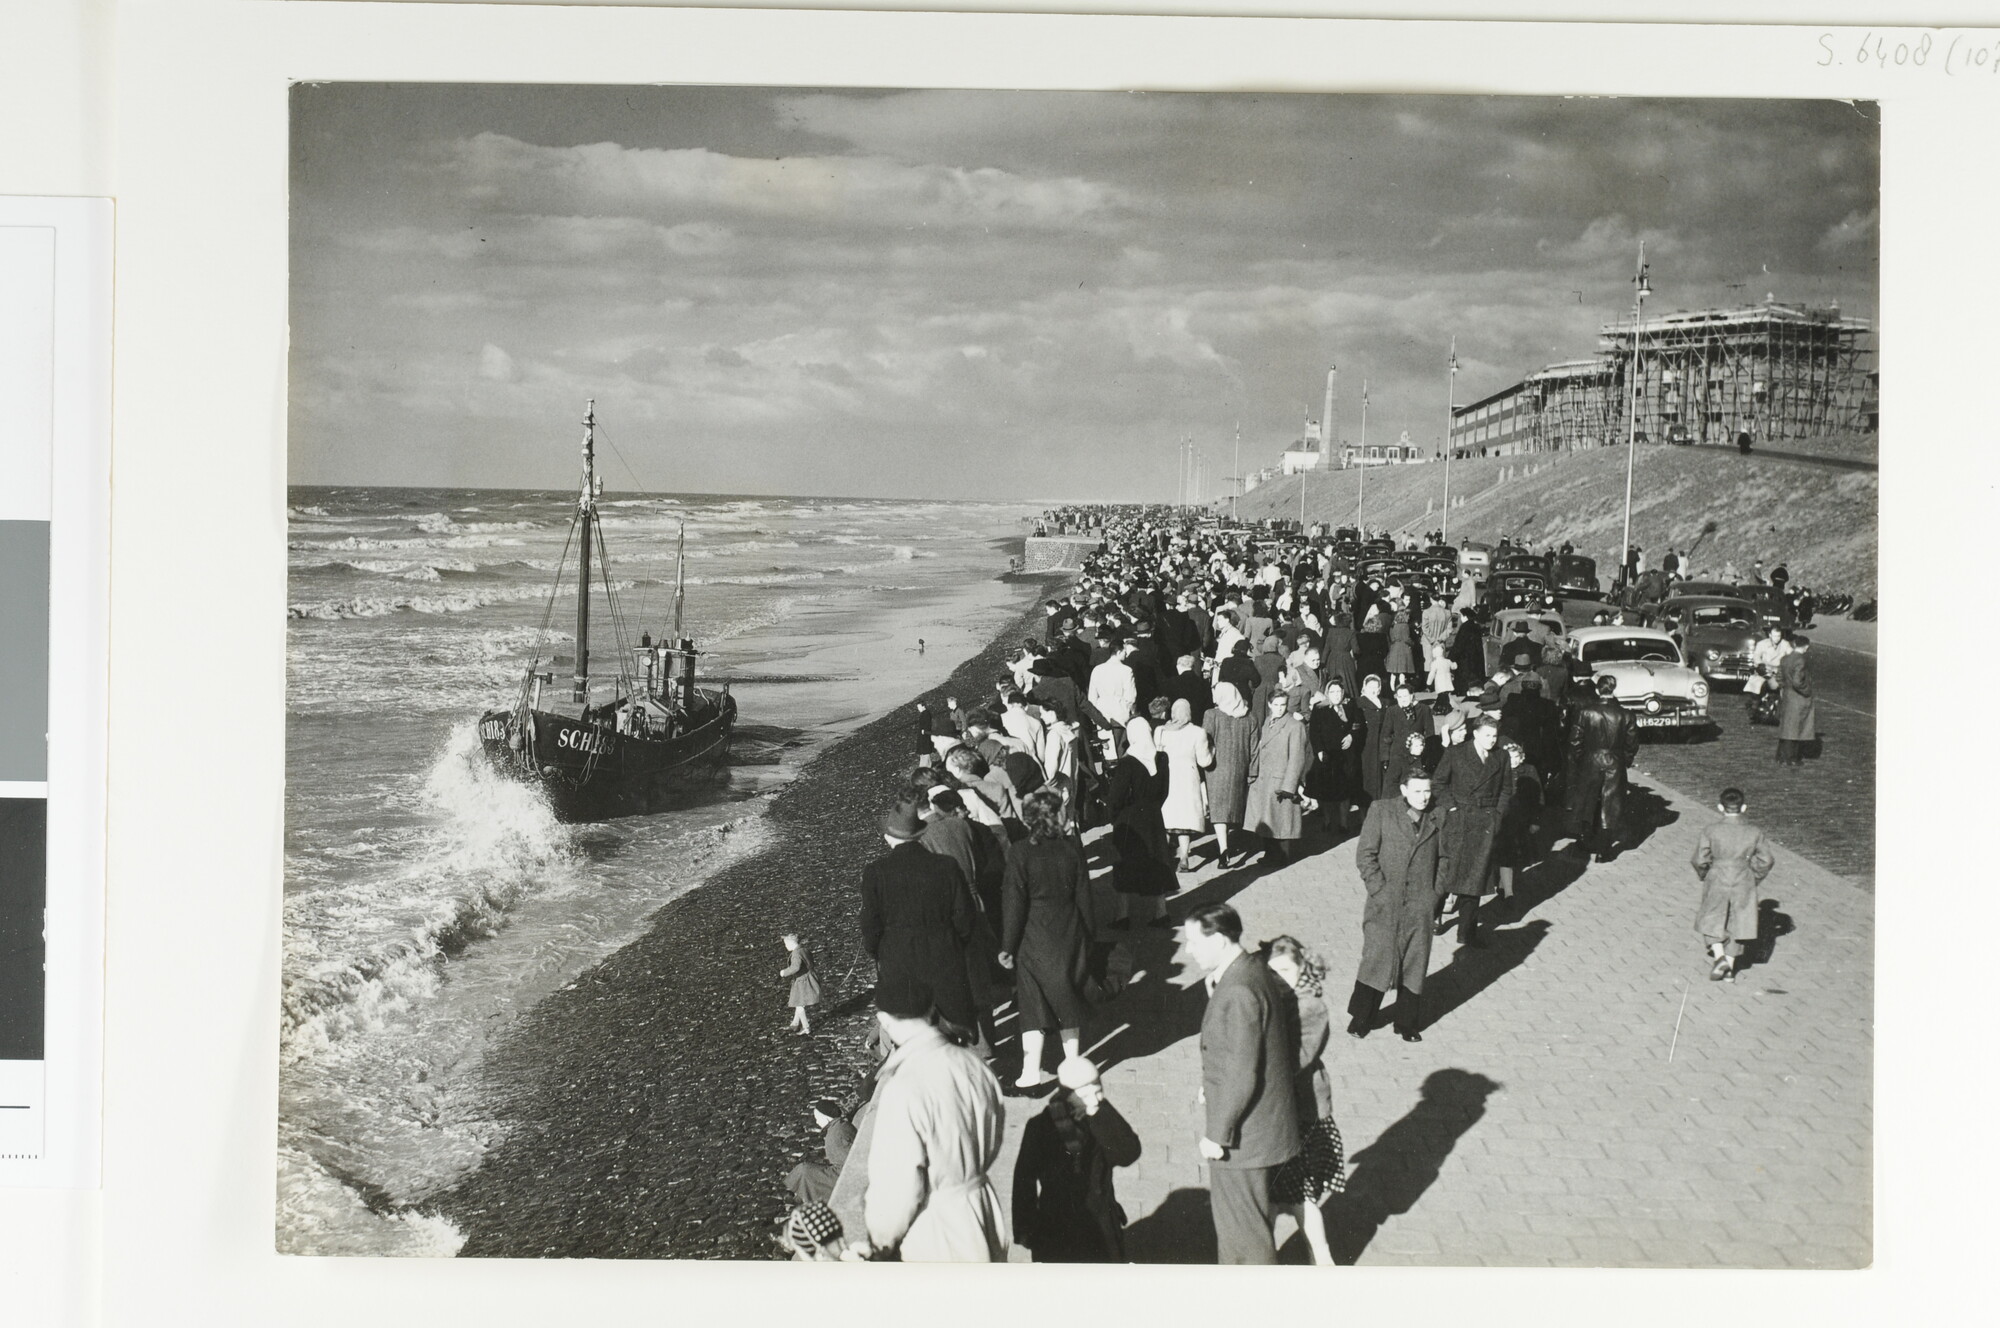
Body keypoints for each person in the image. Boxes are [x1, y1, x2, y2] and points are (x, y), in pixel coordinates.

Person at [853, 977, 1009, 1262]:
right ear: (931, 1011)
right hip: (983, 1207)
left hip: (936, 1226)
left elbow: (898, 1184)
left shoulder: (903, 1086)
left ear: (883, 1020)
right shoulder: (974, 1064)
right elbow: (996, 1133)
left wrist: (880, 1241)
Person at [1179, 902, 1302, 1265]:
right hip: (1262, 1126)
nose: (1188, 950)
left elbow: (1240, 1072)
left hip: (1244, 1137)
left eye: (1194, 941)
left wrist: (1217, 1135)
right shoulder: (1250, 970)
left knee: (1243, 1240)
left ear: (1218, 939)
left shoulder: (1237, 990)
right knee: (1250, 1225)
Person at [999, 789, 1098, 1091]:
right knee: (1069, 998)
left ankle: (1030, 1073)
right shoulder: (1071, 849)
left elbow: (1013, 904)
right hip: (1068, 929)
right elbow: (1085, 897)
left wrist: (1007, 946)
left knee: (1033, 1005)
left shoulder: (1019, 852)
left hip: (1034, 934)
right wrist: (1089, 937)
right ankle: (1072, 1065)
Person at [860, 804, 982, 1036]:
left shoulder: (876, 871)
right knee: (951, 1026)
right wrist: (953, 942)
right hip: (944, 950)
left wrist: (880, 951)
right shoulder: (946, 865)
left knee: (909, 1028)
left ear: (888, 837)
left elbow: (870, 923)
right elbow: (965, 916)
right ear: (919, 835)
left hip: (898, 954)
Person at [1261, 936, 1345, 1267]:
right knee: (1271, 1193)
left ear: (1302, 968)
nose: (1279, 977)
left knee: (1301, 1195)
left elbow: (1296, 1060)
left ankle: (1322, 1258)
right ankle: (1265, 1257)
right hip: (1280, 1112)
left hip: (1301, 1112)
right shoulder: (1278, 999)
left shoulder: (1311, 1007)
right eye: (1272, 971)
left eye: (1286, 970)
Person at [1350, 769, 1452, 1042]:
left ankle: (1406, 1023)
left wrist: (1435, 894)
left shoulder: (1438, 816)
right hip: (1386, 901)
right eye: (1417, 791)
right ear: (1404, 790)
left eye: (1427, 791)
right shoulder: (1381, 810)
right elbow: (1366, 854)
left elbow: (1445, 859)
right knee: (1377, 957)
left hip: (1420, 903)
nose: (1423, 797)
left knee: (1415, 963)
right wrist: (1378, 890)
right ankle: (1362, 1017)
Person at [1009, 1056, 1142, 1262]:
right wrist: (1025, 1227)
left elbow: (1128, 1154)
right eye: (1088, 1092)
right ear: (1068, 1094)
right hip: (1056, 1225)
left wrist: (1099, 1111)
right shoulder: (1040, 1127)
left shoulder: (1099, 1117)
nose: (1097, 1098)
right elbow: (1023, 1179)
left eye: (1099, 1090)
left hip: (1101, 1221)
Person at [1430, 716, 1515, 948]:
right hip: (1459, 821)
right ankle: (1434, 917)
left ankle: (1466, 932)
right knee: (1449, 874)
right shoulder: (1456, 753)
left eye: (1495, 736)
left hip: (1485, 823)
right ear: (1475, 734)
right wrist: (1452, 807)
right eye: (1487, 735)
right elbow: (1438, 783)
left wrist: (1497, 815)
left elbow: (1507, 789)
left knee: (1475, 879)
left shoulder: (1502, 756)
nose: (1492, 740)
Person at [1690, 787, 1776, 983]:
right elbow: (1767, 860)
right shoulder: (1754, 832)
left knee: (1711, 916)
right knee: (1739, 920)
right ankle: (1729, 966)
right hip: (1743, 876)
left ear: (1720, 807)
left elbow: (1699, 859)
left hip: (1718, 875)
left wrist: (1705, 874)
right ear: (1743, 807)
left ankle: (1719, 956)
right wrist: (1754, 877)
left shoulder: (1711, 830)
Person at [1104, 714, 1177, 924]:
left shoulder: (1128, 762)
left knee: (1125, 864)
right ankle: (1161, 913)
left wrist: (1115, 816)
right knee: (1158, 862)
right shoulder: (1162, 758)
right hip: (1154, 816)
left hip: (1130, 818)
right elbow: (1165, 790)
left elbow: (1116, 796)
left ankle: (1122, 915)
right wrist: (1154, 807)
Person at [1561, 674, 1638, 864]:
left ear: (1598, 690)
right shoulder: (1625, 714)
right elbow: (1632, 743)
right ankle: (1603, 850)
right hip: (1614, 760)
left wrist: (1580, 760)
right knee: (1610, 805)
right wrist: (1624, 761)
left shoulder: (1586, 712)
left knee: (1588, 801)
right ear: (1613, 689)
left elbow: (1575, 740)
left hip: (1591, 759)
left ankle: (1585, 841)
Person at [1242, 690, 1314, 865]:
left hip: (1281, 779)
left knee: (1282, 821)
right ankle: (1270, 854)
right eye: (1276, 705)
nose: (1280, 709)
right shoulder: (1267, 722)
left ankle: (1282, 856)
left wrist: (1289, 785)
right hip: (1265, 778)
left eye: (1283, 705)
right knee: (1267, 819)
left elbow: (1297, 758)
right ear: (1269, 705)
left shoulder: (1295, 726)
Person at [1202, 680, 1257, 867]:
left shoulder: (1212, 715)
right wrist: (1252, 771)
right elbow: (1254, 748)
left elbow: (1205, 740)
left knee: (1218, 812)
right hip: (1240, 768)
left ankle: (1223, 848)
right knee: (1235, 808)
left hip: (1216, 769)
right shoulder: (1250, 718)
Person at [1157, 697, 1214, 871]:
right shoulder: (1198, 732)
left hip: (1167, 777)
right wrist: (1213, 751)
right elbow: (1204, 762)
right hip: (1188, 777)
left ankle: (1164, 858)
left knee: (1168, 819)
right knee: (1184, 821)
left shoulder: (1161, 731)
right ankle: (1184, 857)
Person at [1307, 678, 1364, 835]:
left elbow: (1358, 724)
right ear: (1327, 693)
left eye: (1339, 691)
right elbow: (1314, 732)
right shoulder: (1320, 708)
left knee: (1345, 790)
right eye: (1332, 692)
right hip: (1328, 755)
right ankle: (1327, 821)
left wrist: (1352, 736)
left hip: (1346, 755)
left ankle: (1344, 823)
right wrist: (1319, 750)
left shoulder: (1350, 705)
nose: (1336, 695)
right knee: (1326, 791)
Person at [1494, 739, 1542, 908]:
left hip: (1521, 820)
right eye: (1509, 758)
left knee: (1513, 854)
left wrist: (1535, 820)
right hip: (1502, 820)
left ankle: (1504, 886)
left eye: (1516, 757)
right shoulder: (1499, 771)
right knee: (1504, 853)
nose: (1513, 761)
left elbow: (1538, 798)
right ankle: (1507, 891)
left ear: (1521, 758)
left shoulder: (1529, 771)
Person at [783, 1099, 858, 1205]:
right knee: (810, 1169)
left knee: (805, 1169)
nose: (816, 1122)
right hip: (843, 1171)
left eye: (817, 1119)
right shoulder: (842, 1125)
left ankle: (798, 1194)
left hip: (843, 1177)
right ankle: (799, 1195)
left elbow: (848, 1164)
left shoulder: (836, 1133)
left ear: (827, 1119)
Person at [1776, 635, 1816, 766]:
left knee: (1786, 727)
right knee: (1796, 728)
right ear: (1805, 646)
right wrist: (1807, 691)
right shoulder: (1801, 660)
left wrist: (1784, 688)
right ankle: (1792, 758)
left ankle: (1781, 756)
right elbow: (1797, 682)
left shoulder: (1785, 659)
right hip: (1798, 698)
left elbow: (1779, 677)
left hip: (1787, 696)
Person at [780, 933, 822, 1036]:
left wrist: (784, 972)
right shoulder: (804, 949)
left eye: (786, 944)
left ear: (791, 944)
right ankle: (794, 1024)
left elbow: (795, 968)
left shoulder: (796, 954)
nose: (785, 946)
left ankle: (806, 1027)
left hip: (802, 981)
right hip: (810, 978)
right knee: (798, 1002)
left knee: (799, 1005)